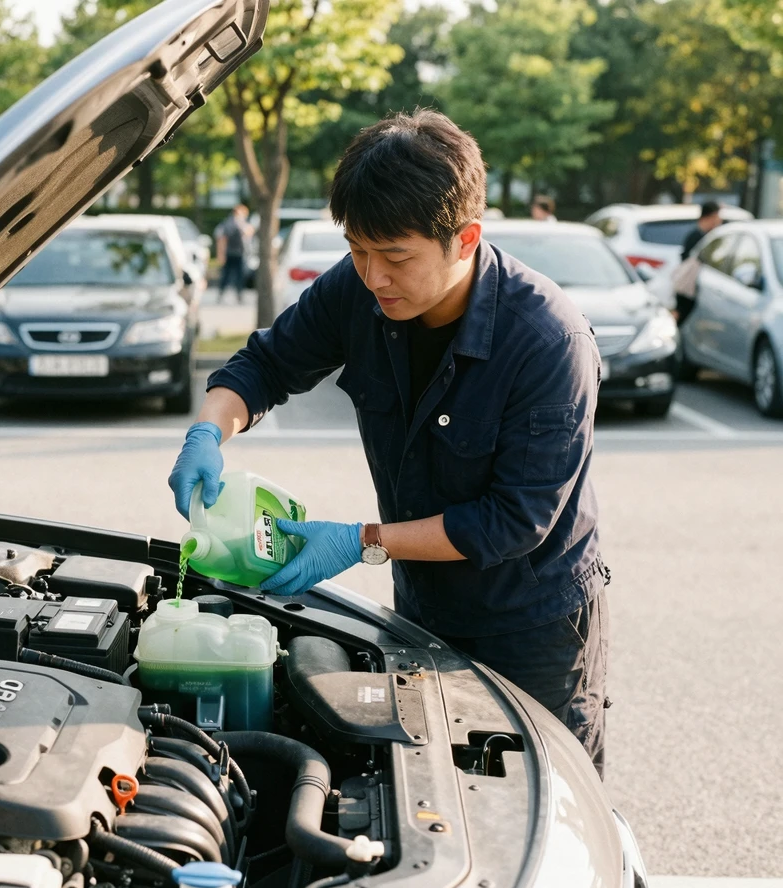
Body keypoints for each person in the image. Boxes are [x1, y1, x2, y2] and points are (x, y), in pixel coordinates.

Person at [168, 110, 609, 777]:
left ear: (465, 239)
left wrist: (362, 540)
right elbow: (264, 366)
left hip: (533, 626)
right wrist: (208, 431)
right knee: (433, 787)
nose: (374, 277)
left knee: (543, 800)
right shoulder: (360, 290)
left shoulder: (549, 343)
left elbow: (513, 520)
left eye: (396, 257)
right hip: (424, 605)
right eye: (358, 251)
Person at [213, 204, 253, 303]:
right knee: (227, 275)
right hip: (231, 253)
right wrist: (221, 254)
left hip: (239, 253)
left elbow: (249, 233)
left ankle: (238, 295)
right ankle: (222, 294)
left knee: (239, 276)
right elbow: (221, 239)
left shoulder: (243, 224)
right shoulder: (229, 223)